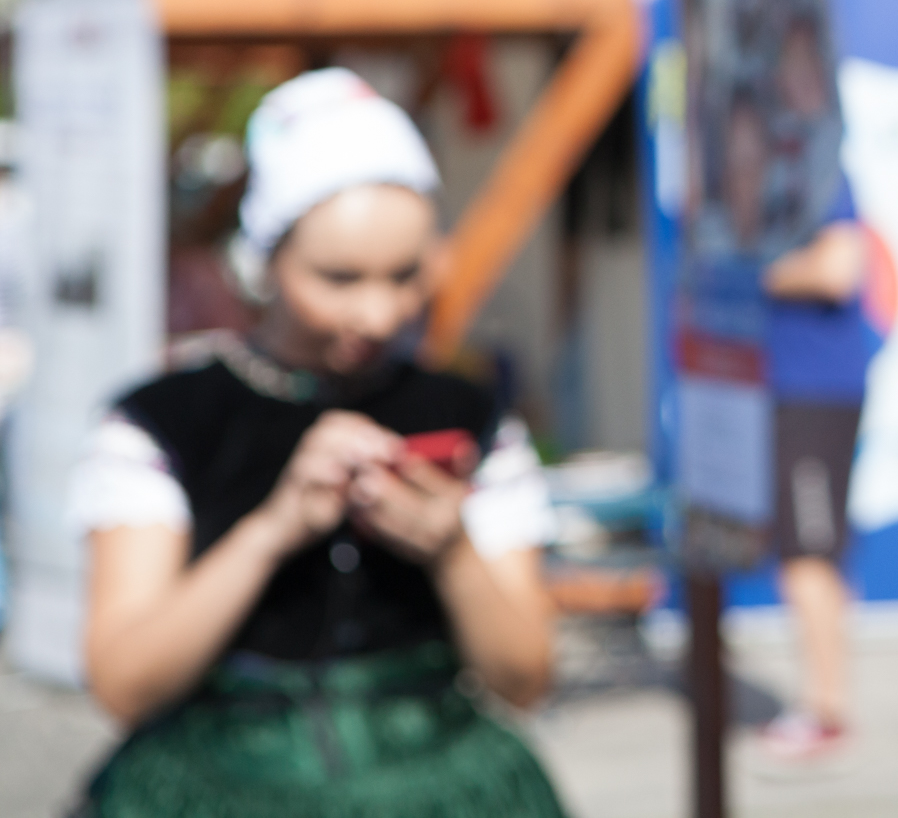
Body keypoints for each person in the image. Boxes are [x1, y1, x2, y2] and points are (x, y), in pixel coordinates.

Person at [73, 68, 566, 817]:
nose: (378, 313)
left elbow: (524, 678)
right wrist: (271, 531)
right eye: (338, 278)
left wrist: (453, 550)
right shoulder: (165, 420)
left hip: (437, 776)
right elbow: (123, 683)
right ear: (266, 259)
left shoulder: (470, 415)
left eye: (405, 275)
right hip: (224, 780)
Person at [754, 184, 874, 763]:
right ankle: (826, 701)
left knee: (808, 554)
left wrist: (750, 273)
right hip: (789, 389)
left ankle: (825, 711)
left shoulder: (817, 172)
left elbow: (839, 268)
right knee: (807, 552)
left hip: (814, 390)